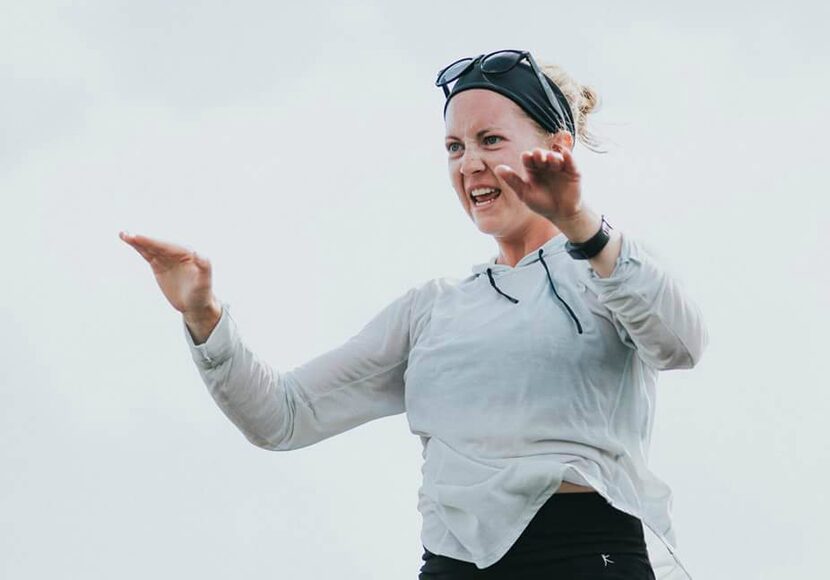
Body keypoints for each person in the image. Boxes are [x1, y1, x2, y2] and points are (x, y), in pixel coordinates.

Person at [119, 49, 708, 579]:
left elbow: (680, 345)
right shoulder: (433, 309)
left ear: (556, 149)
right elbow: (283, 417)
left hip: (585, 555)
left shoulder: (609, 264)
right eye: (455, 147)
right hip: (453, 566)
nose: (469, 163)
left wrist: (581, 225)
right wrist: (204, 316)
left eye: (490, 140)